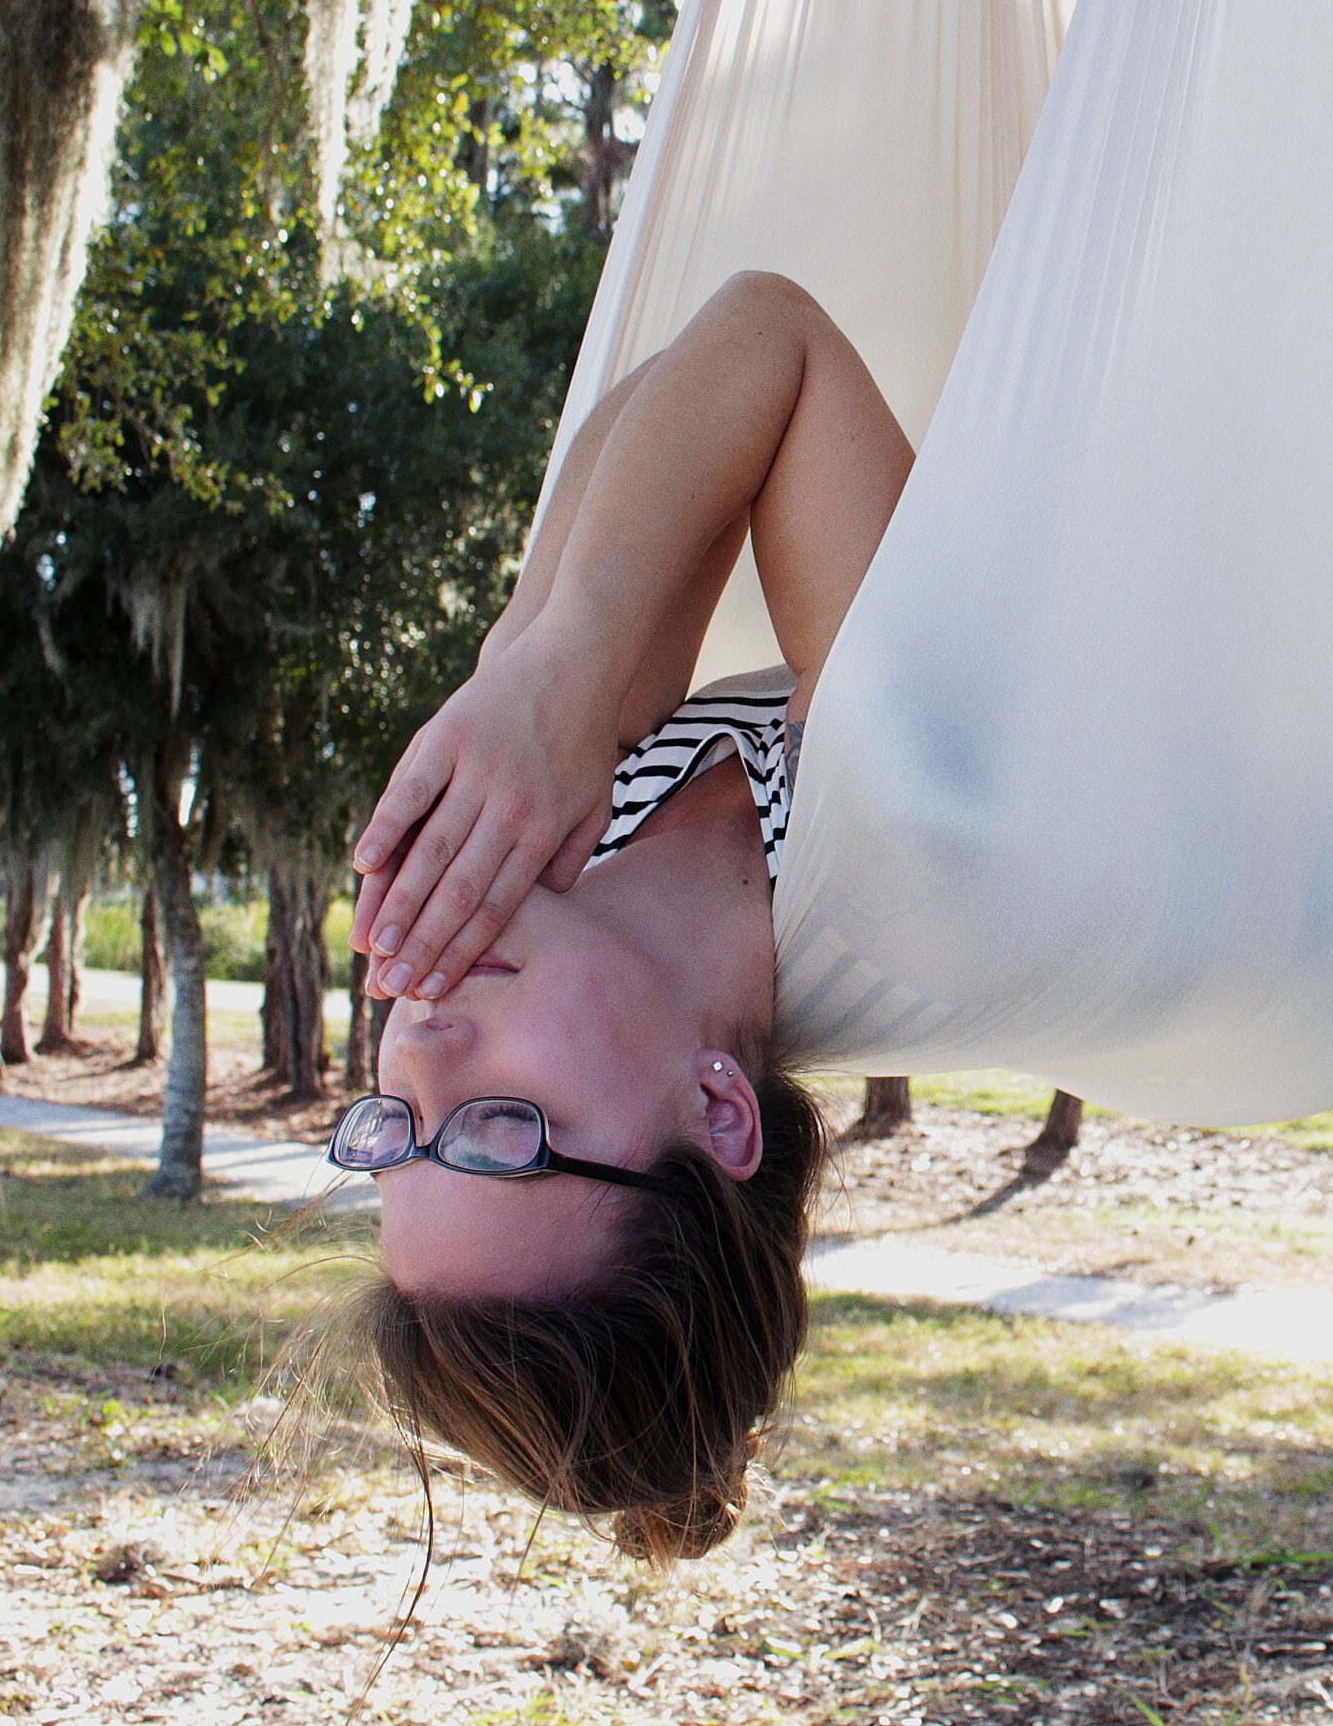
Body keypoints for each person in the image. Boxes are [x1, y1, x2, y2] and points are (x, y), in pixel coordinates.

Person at [328, 269, 912, 1560]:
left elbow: (656, 401)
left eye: (391, 1134)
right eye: (501, 1132)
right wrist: (556, 668)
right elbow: (770, 339)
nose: (419, 1051)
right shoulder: (901, 866)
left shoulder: (584, 838)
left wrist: (538, 679)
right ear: (719, 1112)